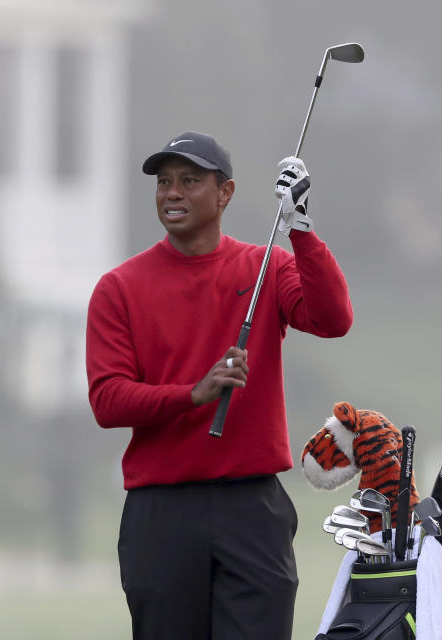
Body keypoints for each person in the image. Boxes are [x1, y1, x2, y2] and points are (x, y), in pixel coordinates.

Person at [86, 130, 353, 639]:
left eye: (190, 181)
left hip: (251, 507)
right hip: (161, 512)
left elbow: (333, 318)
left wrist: (301, 229)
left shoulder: (267, 267)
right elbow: (107, 399)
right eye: (164, 182)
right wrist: (194, 393)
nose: (172, 193)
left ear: (224, 193)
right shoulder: (119, 287)